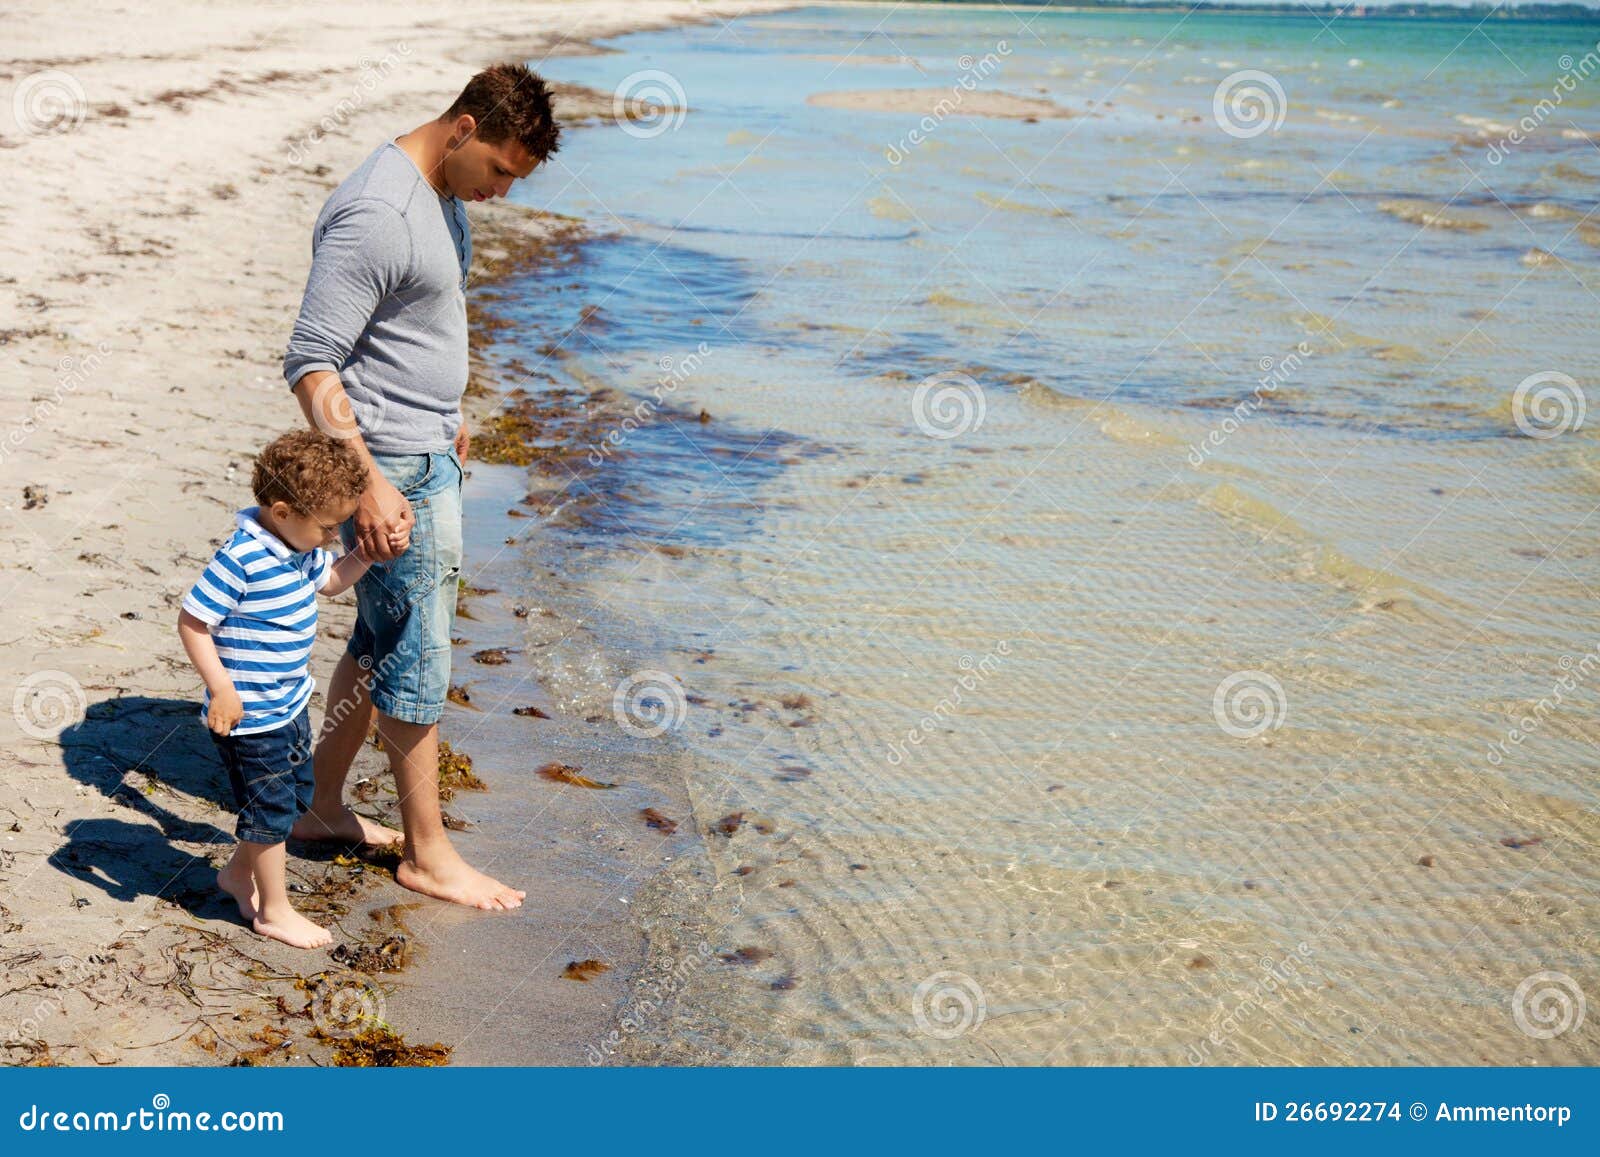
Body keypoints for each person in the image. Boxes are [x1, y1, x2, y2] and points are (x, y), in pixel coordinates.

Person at [280, 63, 561, 909]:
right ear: (465, 129)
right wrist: (368, 482)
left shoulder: (440, 195)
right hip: (391, 471)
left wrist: (453, 408)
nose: (505, 193)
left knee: (377, 646)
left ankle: (322, 810)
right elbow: (311, 360)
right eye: (503, 172)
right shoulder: (380, 211)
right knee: (416, 656)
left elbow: (413, 326)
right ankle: (429, 853)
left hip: (423, 449)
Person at [178, 430, 373, 948]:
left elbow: (329, 582)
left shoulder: (297, 545)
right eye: (329, 527)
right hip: (247, 716)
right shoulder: (241, 558)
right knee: (268, 812)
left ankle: (237, 877)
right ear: (283, 510)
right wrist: (221, 688)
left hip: (288, 704)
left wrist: (366, 557)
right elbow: (192, 622)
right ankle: (275, 911)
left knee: (295, 797)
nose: (332, 538)